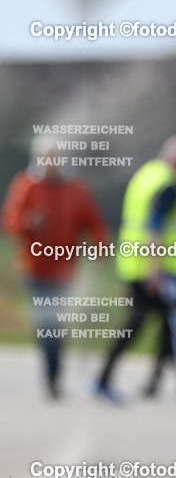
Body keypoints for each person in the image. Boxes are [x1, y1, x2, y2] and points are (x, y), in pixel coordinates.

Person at [92, 135, 176, 402]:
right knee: (170, 325)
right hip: (158, 270)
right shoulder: (168, 185)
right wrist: (155, 271)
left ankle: (149, 382)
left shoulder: (145, 176)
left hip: (134, 265)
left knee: (162, 326)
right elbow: (156, 228)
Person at [1, 138, 110, 398]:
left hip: (66, 268)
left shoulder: (75, 188)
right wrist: (29, 223)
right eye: (46, 158)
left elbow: (93, 220)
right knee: (46, 322)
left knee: (58, 325)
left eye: (55, 157)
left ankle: (55, 373)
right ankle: (51, 375)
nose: (51, 162)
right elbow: (10, 222)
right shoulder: (26, 185)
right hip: (36, 268)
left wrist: (101, 248)